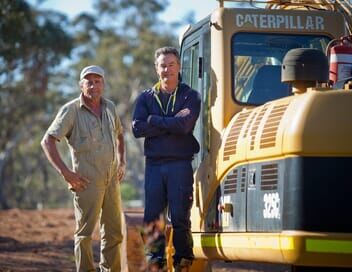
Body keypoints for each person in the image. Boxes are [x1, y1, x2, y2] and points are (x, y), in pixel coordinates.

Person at [41, 65, 126, 272]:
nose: (94, 86)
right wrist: (66, 173)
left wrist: (122, 162)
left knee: (114, 233)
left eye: (98, 81)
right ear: (81, 85)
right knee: (85, 234)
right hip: (86, 183)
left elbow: (120, 135)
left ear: (103, 84)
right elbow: (47, 141)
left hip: (111, 181)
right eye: (89, 81)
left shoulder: (110, 107)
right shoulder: (71, 110)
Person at [132, 47, 201, 272]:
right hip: (154, 165)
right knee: (152, 217)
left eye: (171, 64)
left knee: (180, 216)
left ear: (179, 67)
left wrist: (154, 120)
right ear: (156, 68)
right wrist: (170, 123)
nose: (167, 69)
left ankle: (183, 261)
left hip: (180, 164)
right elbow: (137, 128)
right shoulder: (145, 97)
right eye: (163, 65)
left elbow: (185, 125)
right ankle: (154, 262)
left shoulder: (190, 95)